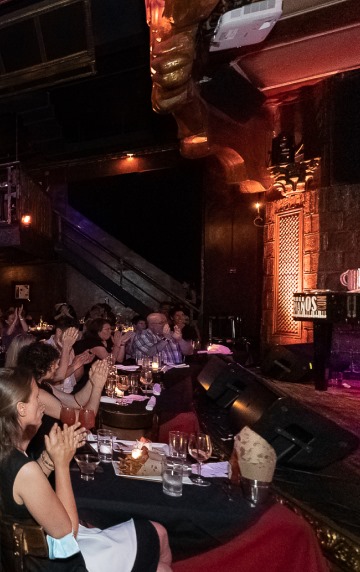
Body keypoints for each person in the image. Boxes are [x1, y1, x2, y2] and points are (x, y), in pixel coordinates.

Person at [0, 367, 173, 572]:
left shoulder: (9, 453)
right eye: (37, 397)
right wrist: (63, 464)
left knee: (159, 537)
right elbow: (67, 539)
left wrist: (51, 456)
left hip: (32, 553)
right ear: (21, 409)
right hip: (52, 562)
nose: (42, 405)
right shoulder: (23, 467)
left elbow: (21, 488)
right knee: (160, 548)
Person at [45, 317, 93, 393]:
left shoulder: (70, 347)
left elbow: (75, 379)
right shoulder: (45, 349)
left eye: (75, 335)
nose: (74, 339)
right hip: (53, 394)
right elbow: (54, 379)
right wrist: (74, 366)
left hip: (70, 392)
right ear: (59, 332)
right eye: (71, 335)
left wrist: (80, 362)